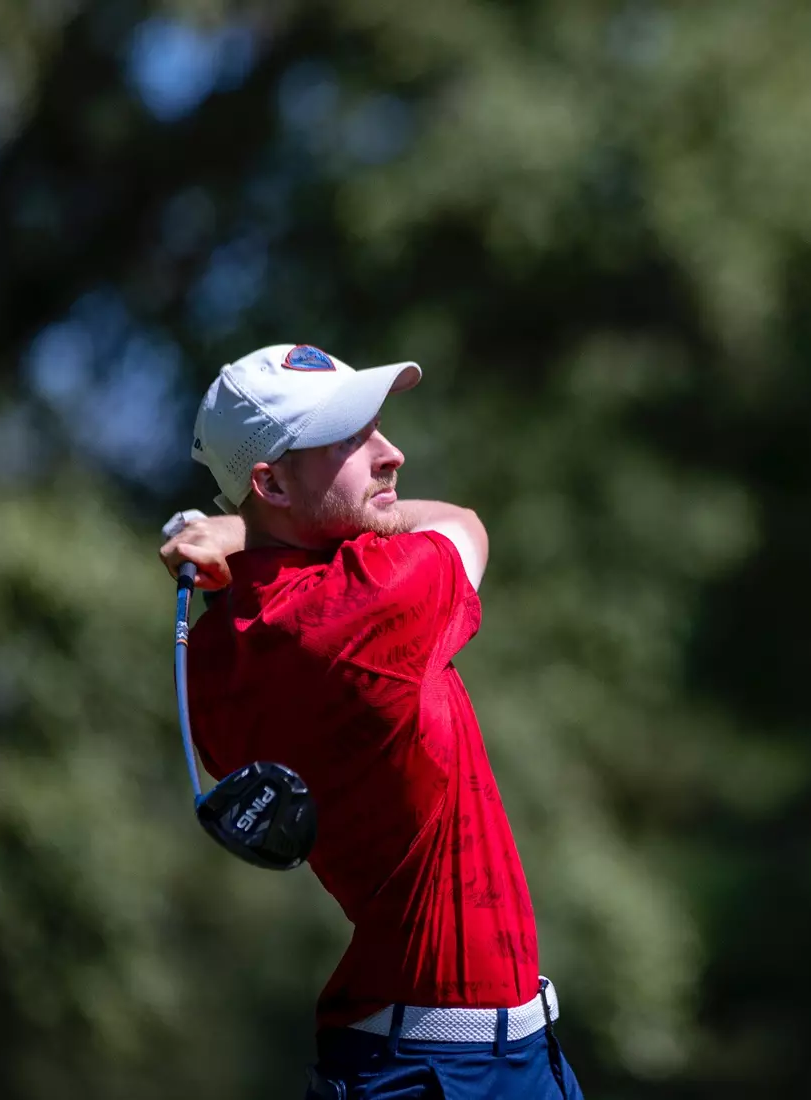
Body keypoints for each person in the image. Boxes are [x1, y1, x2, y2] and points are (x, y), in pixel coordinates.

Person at [158, 343, 582, 1100]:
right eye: (352, 440)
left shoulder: (214, 661)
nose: (392, 454)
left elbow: (263, 612)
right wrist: (249, 536)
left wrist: (250, 537)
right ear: (271, 481)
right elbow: (464, 525)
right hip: (447, 1071)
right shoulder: (371, 597)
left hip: (446, 1054)